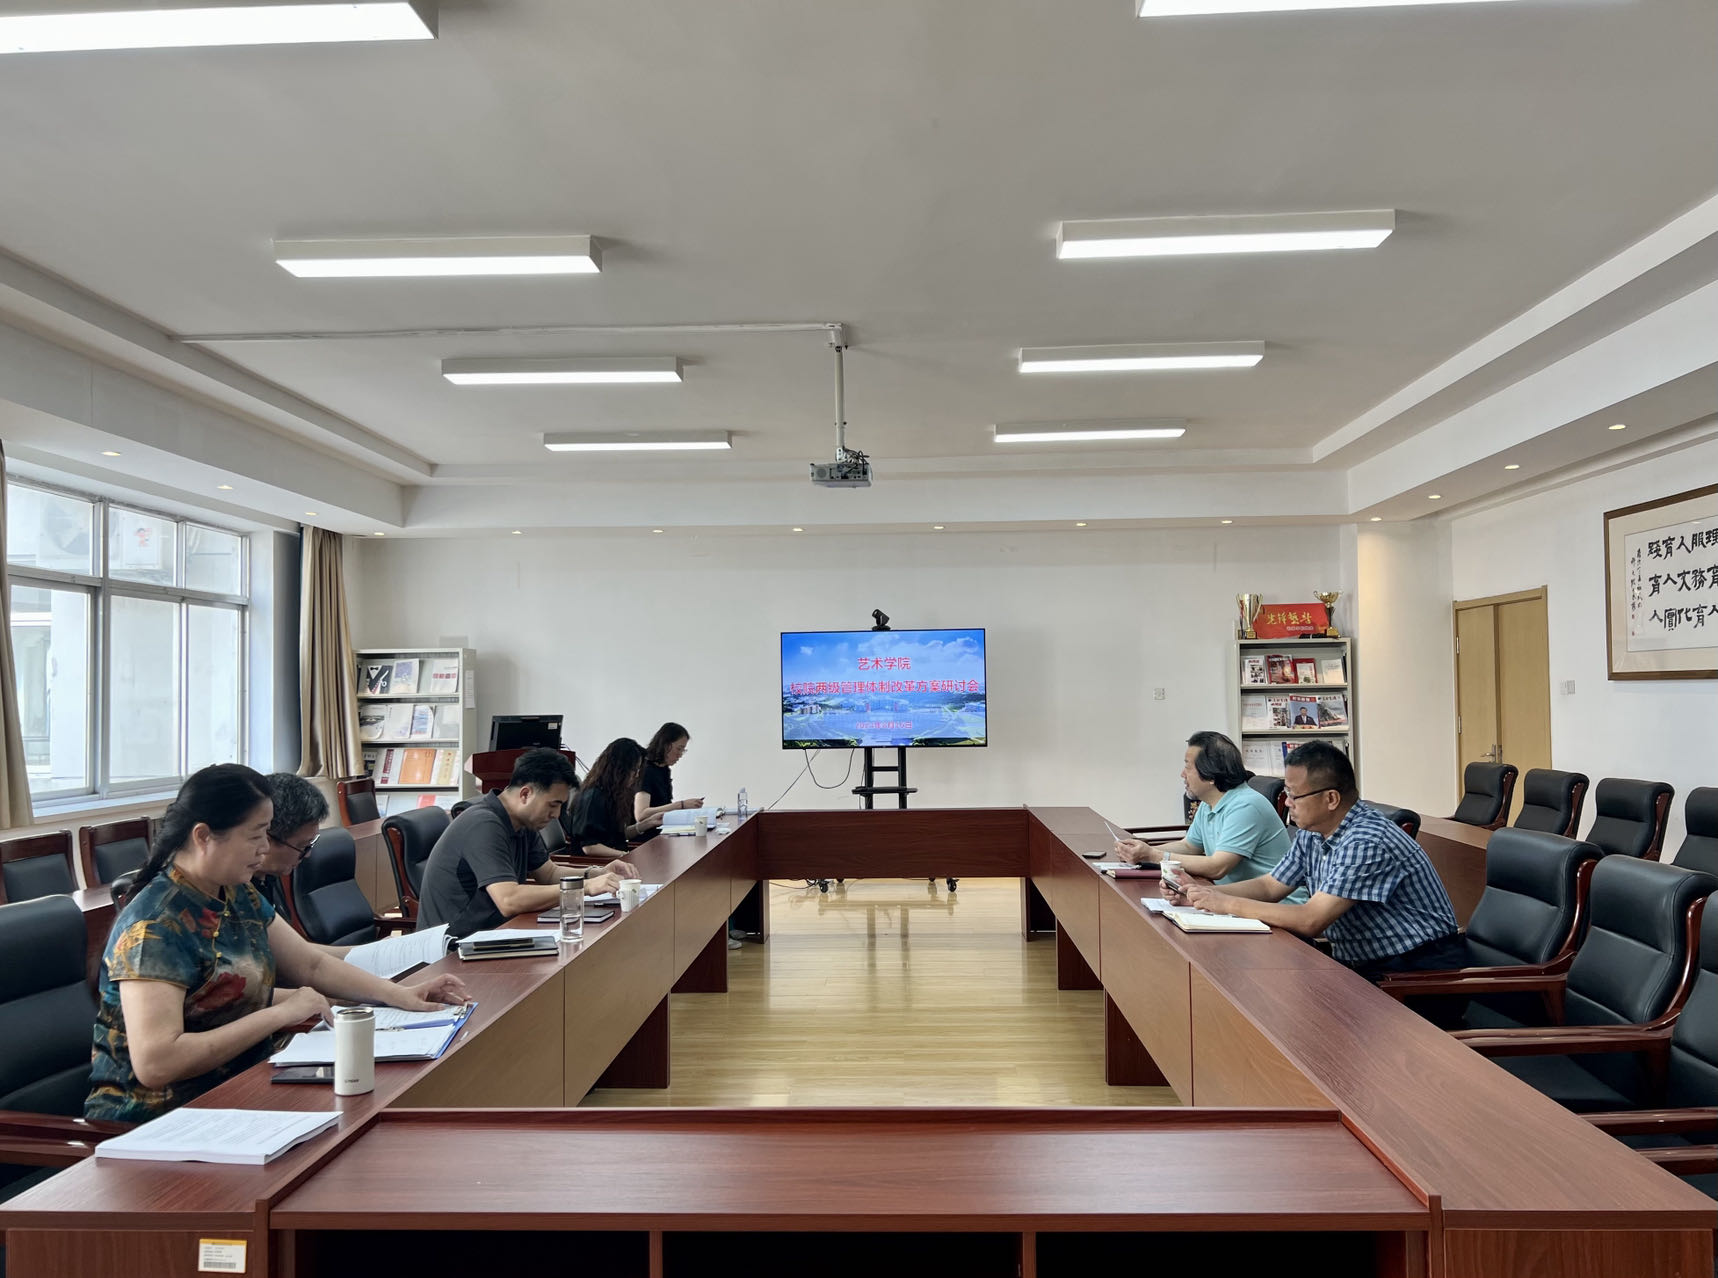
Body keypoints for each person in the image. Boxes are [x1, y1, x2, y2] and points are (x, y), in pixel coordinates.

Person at [86, 765, 468, 1124]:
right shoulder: (155, 926)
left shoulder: (234, 892)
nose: (263, 849)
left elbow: (312, 965)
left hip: (242, 1087)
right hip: (163, 1119)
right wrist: (280, 1014)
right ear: (203, 836)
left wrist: (400, 994)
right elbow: (157, 1064)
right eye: (255, 836)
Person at [1165, 741, 1461, 982]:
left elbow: (1310, 920)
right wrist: (1202, 894)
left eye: (1294, 795)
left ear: (1331, 799)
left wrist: (1225, 903)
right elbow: (1270, 886)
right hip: (1364, 965)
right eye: (1286, 792)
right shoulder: (1313, 831)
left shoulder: (1366, 841)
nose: (1287, 803)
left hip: (1416, 972)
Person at [417, 748, 635, 936]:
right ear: (525, 794)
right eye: (553, 805)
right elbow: (508, 900)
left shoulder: (522, 822)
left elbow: (548, 874)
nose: (556, 815)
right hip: (453, 948)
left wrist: (595, 873)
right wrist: (584, 887)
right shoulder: (483, 824)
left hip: (493, 932)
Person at [1114, 731, 1302, 900]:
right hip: (1231, 897)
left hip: (1276, 906)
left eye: (1188, 767)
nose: (1182, 774)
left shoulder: (1246, 805)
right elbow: (1189, 846)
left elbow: (1218, 867)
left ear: (1211, 775)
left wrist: (1153, 855)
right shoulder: (1209, 803)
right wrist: (1142, 851)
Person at [250, 772, 357, 956]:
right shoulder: (237, 892)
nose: (307, 855)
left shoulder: (267, 878)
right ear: (266, 837)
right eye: (302, 846)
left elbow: (295, 951)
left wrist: (371, 952)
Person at [564, 738, 658, 856]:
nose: (636, 775)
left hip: (611, 858)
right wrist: (626, 856)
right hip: (592, 862)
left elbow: (616, 836)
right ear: (619, 769)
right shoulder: (593, 796)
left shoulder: (612, 794)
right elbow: (590, 847)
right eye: (634, 770)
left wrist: (650, 822)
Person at [634, 722, 706, 828]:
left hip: (664, 828)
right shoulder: (646, 770)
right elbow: (641, 815)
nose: (680, 755)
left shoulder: (664, 769)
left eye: (683, 750)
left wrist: (685, 807)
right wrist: (681, 805)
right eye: (679, 749)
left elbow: (664, 805)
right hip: (648, 833)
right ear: (665, 745)